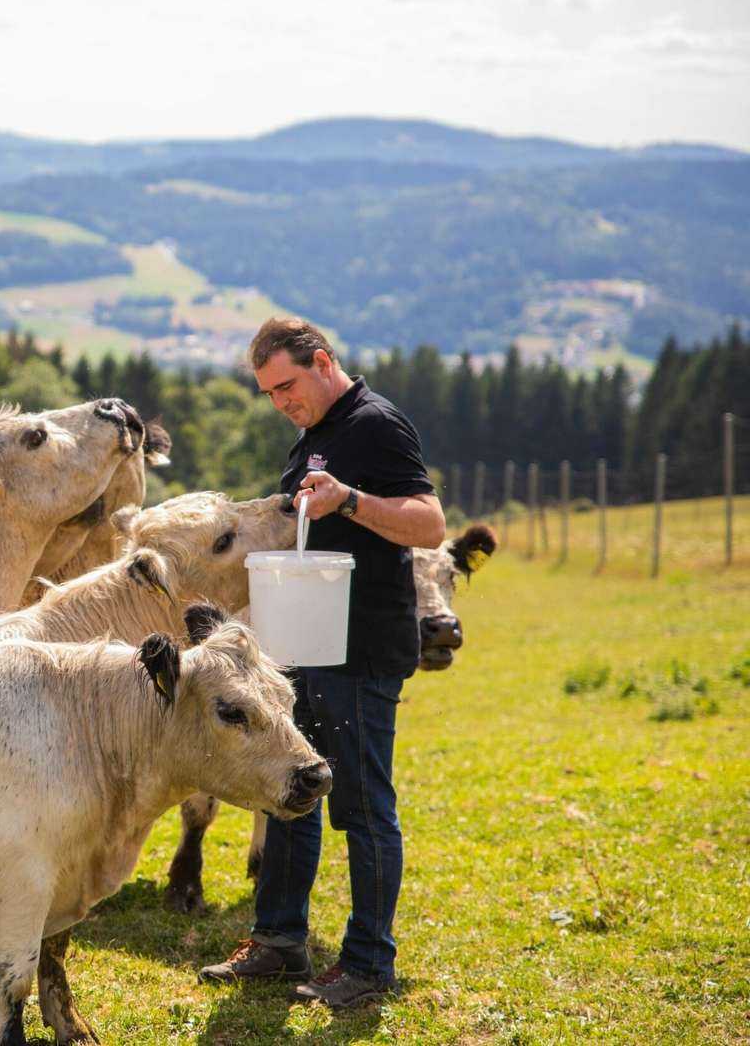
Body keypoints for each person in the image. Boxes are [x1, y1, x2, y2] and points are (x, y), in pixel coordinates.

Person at [199, 317, 445, 1008]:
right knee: (288, 794)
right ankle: (279, 942)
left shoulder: (374, 425)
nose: (281, 401)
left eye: (287, 385)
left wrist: (352, 501)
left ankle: (369, 964)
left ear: (322, 361)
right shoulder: (316, 434)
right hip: (303, 651)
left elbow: (430, 524)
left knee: (363, 809)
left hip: (361, 651)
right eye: (269, 393)